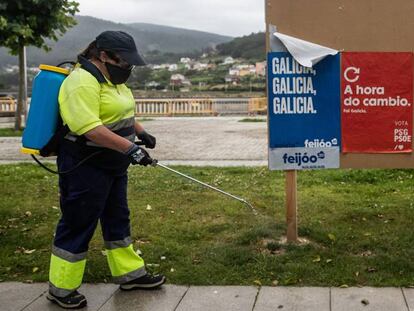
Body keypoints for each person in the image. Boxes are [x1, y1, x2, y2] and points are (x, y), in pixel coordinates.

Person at [46, 31, 165, 309]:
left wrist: (140, 131)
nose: (128, 68)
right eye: (124, 62)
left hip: (112, 164)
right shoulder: (81, 82)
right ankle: (61, 288)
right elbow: (90, 128)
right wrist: (130, 148)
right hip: (85, 166)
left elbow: (117, 111)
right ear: (103, 56)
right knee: (78, 223)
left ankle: (130, 275)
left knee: (117, 219)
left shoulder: (111, 79)